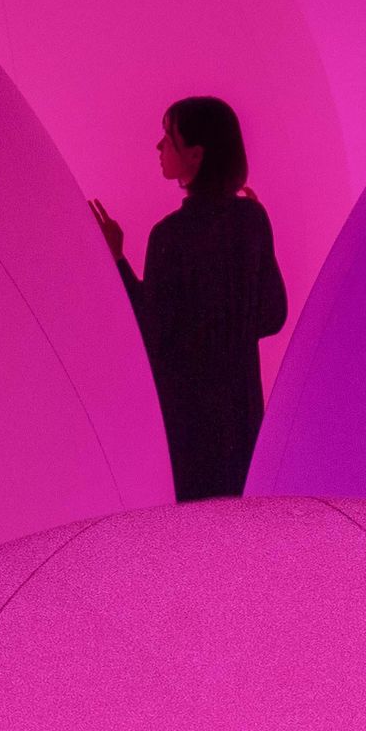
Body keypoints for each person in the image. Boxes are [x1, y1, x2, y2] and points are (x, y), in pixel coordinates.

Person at [91, 96, 289, 502]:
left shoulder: (170, 235)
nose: (159, 146)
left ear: (196, 155)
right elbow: (273, 314)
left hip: (187, 422)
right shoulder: (252, 220)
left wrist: (117, 260)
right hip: (243, 416)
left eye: (169, 137)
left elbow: (152, 331)